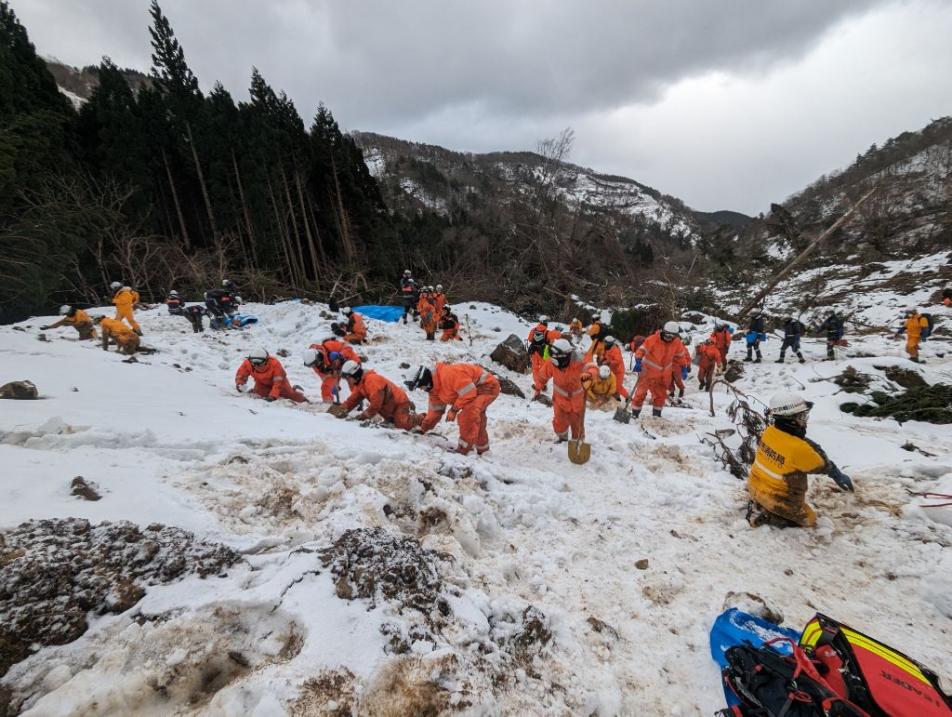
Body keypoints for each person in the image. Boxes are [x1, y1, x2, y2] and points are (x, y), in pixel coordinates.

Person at [747, 392, 853, 528]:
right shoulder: (800, 450)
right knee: (810, 519)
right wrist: (836, 473)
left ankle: (761, 505)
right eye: (801, 416)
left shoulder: (769, 431)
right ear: (791, 420)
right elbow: (821, 464)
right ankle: (775, 518)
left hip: (754, 487)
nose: (805, 420)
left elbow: (793, 443)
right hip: (779, 502)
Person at [412, 363, 501, 455]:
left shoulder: (448, 374)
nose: (422, 389)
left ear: (425, 381)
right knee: (476, 417)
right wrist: (423, 429)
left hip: (487, 386)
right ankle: (483, 450)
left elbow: (469, 392)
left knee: (468, 414)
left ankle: (464, 449)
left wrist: (453, 410)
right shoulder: (434, 390)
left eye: (420, 386)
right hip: (474, 390)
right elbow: (435, 412)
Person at [329, 361, 417, 429]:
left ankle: (423, 419)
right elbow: (352, 401)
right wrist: (339, 411)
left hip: (400, 404)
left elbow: (376, 404)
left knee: (403, 426)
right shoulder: (360, 384)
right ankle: (398, 418)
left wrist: (363, 416)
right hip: (390, 409)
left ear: (354, 374)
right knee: (394, 425)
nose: (348, 381)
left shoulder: (371, 380)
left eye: (348, 378)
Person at [535, 338, 586, 442]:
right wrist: (538, 388)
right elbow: (542, 376)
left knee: (576, 422)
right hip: (559, 399)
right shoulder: (551, 363)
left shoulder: (579, 362)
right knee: (559, 422)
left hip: (577, 400)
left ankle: (578, 440)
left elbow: (592, 368)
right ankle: (562, 438)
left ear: (564, 356)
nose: (553, 360)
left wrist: (590, 374)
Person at [632, 321, 686, 418]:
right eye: (667, 335)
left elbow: (680, 356)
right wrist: (638, 360)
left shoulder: (676, 343)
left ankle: (656, 416)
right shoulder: (652, 340)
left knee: (660, 396)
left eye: (671, 336)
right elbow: (641, 350)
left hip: (663, 376)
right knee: (640, 394)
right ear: (663, 331)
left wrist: (684, 367)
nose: (668, 338)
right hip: (647, 372)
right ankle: (635, 414)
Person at [235, 348, 307, 403]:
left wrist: (273, 396)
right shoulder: (247, 363)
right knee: (259, 394)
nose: (256, 365)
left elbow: (278, 383)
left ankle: (300, 396)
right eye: (254, 362)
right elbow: (241, 374)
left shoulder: (275, 364)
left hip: (281, 383)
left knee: (290, 396)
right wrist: (239, 384)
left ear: (266, 360)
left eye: (259, 362)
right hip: (261, 383)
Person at [527, 316, 551, 394]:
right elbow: (551, 342)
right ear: (545, 323)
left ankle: (537, 384)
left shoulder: (533, 330)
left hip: (534, 352)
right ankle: (542, 385)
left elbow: (530, 339)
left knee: (535, 369)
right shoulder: (547, 332)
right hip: (543, 353)